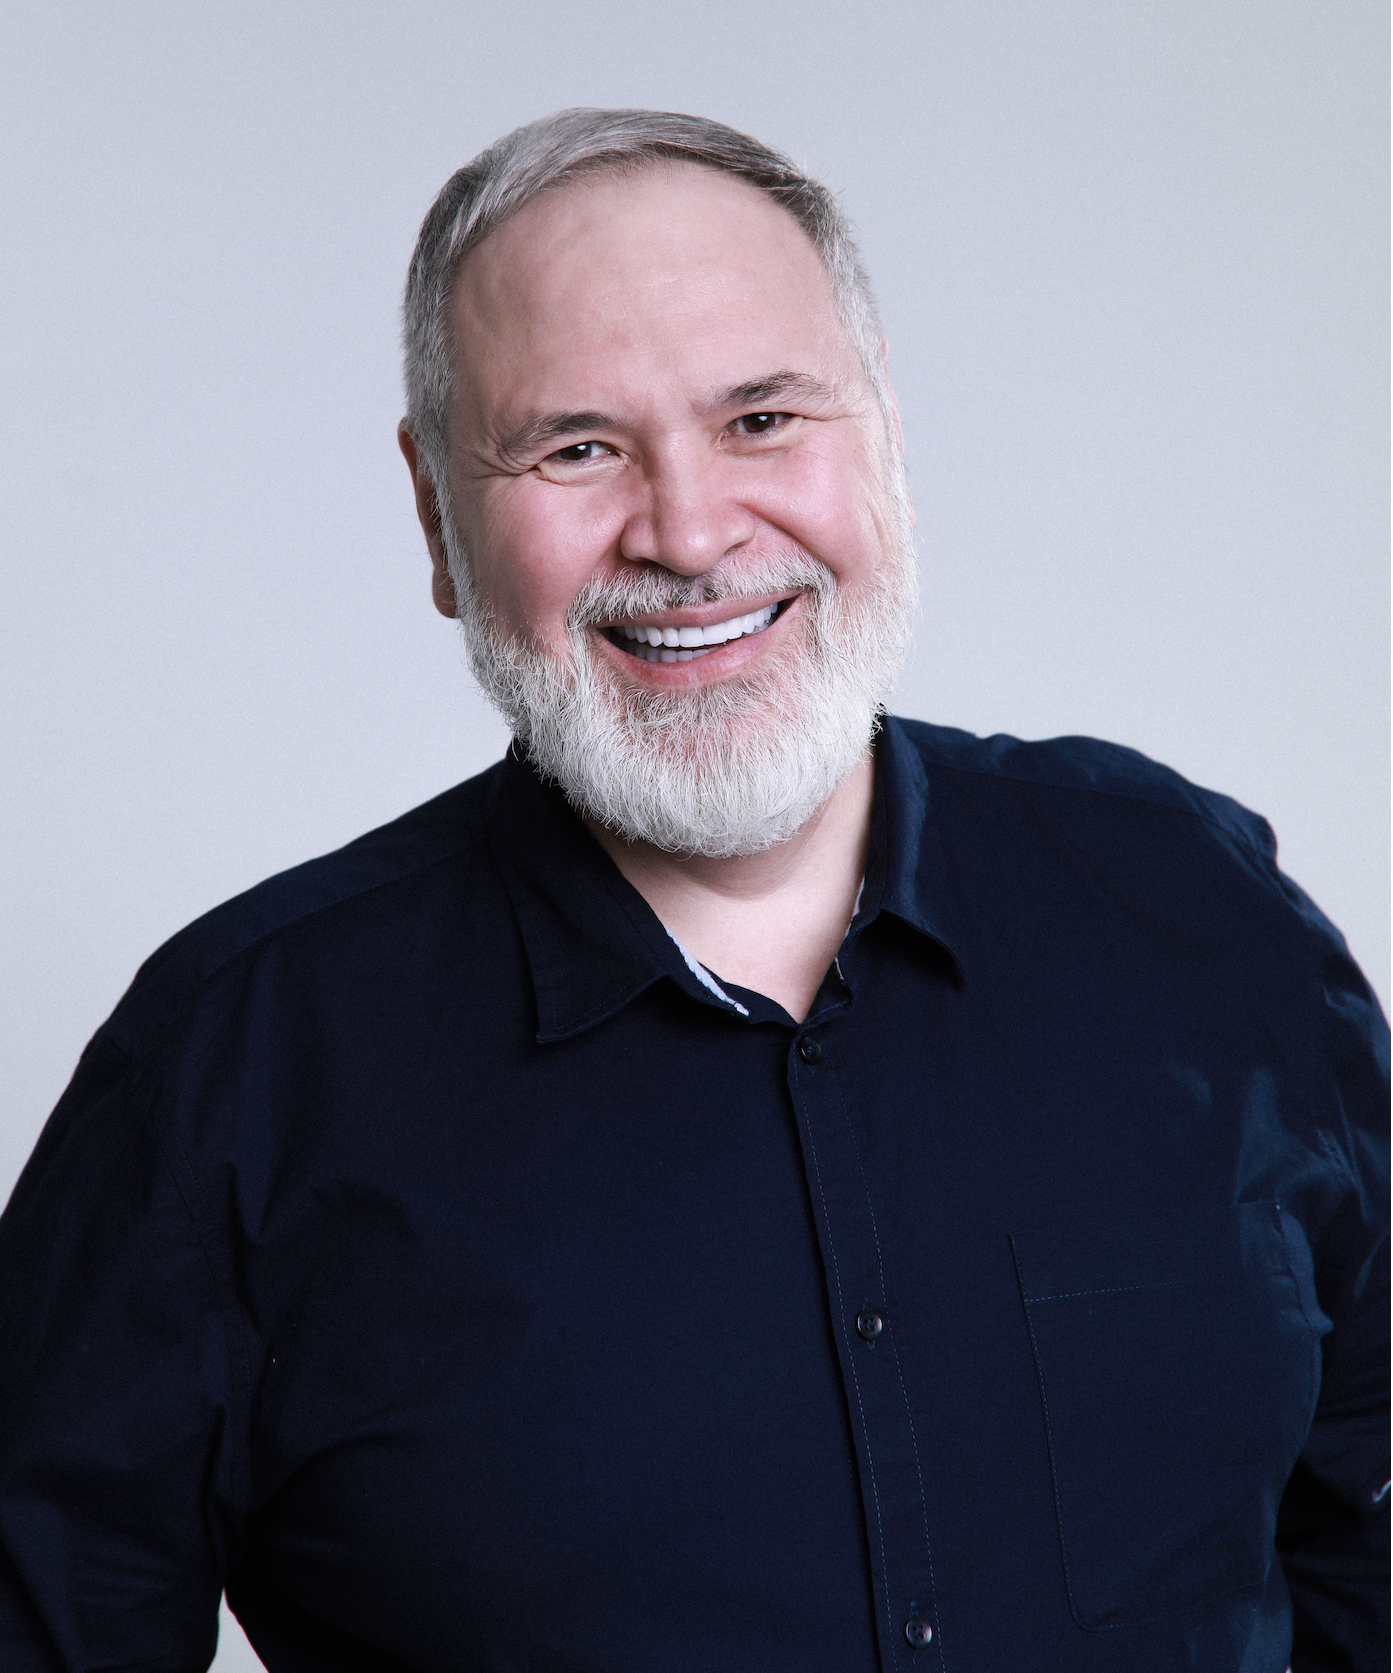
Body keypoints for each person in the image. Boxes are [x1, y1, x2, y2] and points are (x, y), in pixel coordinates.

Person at [0, 108, 1385, 1673]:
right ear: (437, 512)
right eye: (577, 447)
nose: (690, 530)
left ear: (885, 436)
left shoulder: (1197, 913)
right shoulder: (232, 1072)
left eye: (763, 418)